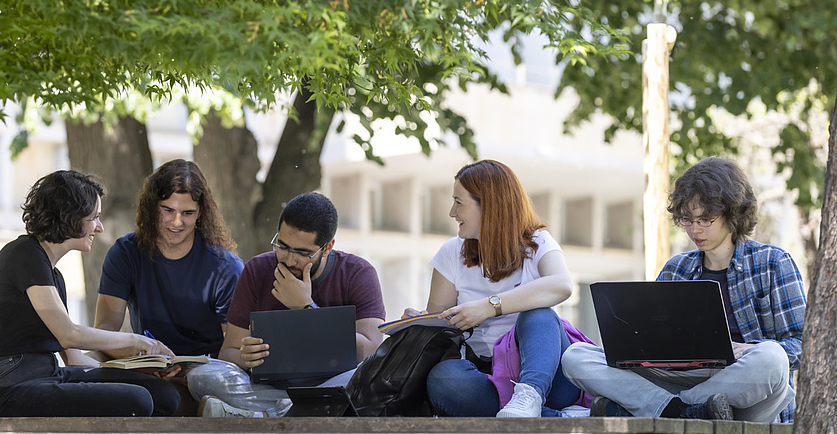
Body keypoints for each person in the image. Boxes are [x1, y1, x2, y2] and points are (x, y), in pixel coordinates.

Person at [561, 156, 805, 423]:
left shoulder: (773, 263)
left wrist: (748, 349)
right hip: (677, 378)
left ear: (732, 213)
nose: (694, 230)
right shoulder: (676, 269)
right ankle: (679, 409)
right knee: (576, 356)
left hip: (742, 388)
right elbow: (650, 341)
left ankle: (669, 409)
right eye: (687, 220)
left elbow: (802, 345)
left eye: (705, 220)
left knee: (772, 358)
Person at [0, 170, 179, 417]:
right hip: (5, 385)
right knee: (138, 399)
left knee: (163, 394)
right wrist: (135, 341)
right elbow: (69, 335)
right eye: (94, 217)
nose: (99, 228)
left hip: (47, 375)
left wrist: (137, 370)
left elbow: (75, 358)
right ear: (70, 216)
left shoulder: (54, 276)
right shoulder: (24, 253)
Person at [402, 159, 582, 418]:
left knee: (539, 315)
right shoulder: (451, 253)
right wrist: (419, 322)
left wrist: (489, 307)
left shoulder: (538, 242)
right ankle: (553, 418)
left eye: (459, 202)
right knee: (444, 378)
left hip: (549, 376)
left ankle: (530, 395)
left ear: (489, 206)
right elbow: (440, 328)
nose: (452, 212)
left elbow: (561, 285)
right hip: (488, 378)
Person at [187, 192, 386, 417]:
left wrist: (306, 308)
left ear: (328, 247)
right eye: (282, 246)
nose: (289, 260)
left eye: (303, 253)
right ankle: (291, 413)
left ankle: (265, 417)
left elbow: (370, 352)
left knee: (364, 378)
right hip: (269, 390)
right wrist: (245, 357)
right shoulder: (257, 270)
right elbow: (228, 351)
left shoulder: (358, 273)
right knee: (200, 377)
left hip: (333, 385)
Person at [95, 159, 244, 359]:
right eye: (168, 210)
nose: (177, 222)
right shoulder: (125, 254)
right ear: (151, 206)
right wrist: (140, 352)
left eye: (188, 213)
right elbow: (105, 330)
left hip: (207, 373)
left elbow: (234, 350)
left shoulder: (226, 268)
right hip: (146, 363)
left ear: (200, 213)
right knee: (90, 362)